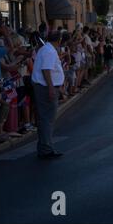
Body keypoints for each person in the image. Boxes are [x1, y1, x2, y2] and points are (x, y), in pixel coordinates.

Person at [31, 31, 65, 159]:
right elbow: (46, 70)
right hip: (45, 88)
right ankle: (46, 149)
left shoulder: (46, 49)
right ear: (59, 40)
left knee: (44, 119)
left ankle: (44, 147)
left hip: (44, 87)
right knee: (47, 119)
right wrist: (51, 88)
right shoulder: (49, 51)